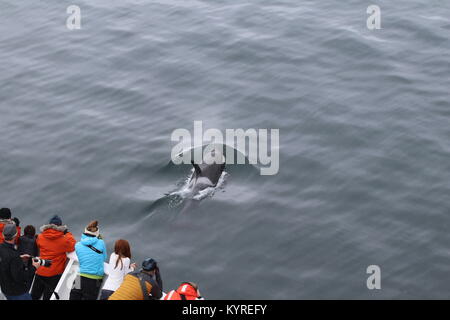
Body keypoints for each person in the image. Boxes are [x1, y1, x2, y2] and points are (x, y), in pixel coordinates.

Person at [31, 215, 76, 300]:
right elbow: (72, 245)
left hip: (40, 271)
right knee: (47, 297)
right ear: (60, 227)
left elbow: (38, 244)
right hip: (54, 274)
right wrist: (67, 233)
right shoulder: (63, 240)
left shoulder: (40, 237)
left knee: (34, 296)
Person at [0, 224, 40, 300]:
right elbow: (21, 277)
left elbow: (6, 262)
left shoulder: (1, 248)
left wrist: (19, 258)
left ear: (3, 234)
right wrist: (34, 267)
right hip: (17, 293)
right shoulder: (14, 255)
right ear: (15, 235)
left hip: (5, 288)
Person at [74, 220, 107, 300]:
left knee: (74, 296)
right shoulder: (101, 243)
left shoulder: (77, 245)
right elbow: (104, 257)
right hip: (94, 279)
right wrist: (99, 239)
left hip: (79, 277)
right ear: (97, 233)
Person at [17, 225, 39, 292]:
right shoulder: (35, 241)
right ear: (34, 233)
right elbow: (37, 253)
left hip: (20, 261)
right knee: (29, 280)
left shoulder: (20, 238)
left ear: (25, 232)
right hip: (30, 263)